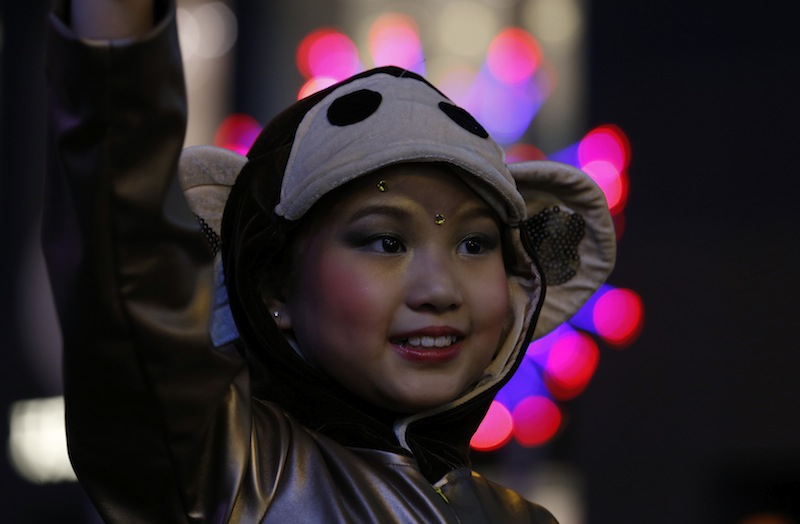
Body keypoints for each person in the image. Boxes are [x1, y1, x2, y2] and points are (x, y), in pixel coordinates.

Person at [43, 0, 616, 522]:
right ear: (274, 290)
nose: (441, 289)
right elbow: (122, 235)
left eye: (474, 244)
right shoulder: (224, 469)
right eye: (386, 242)